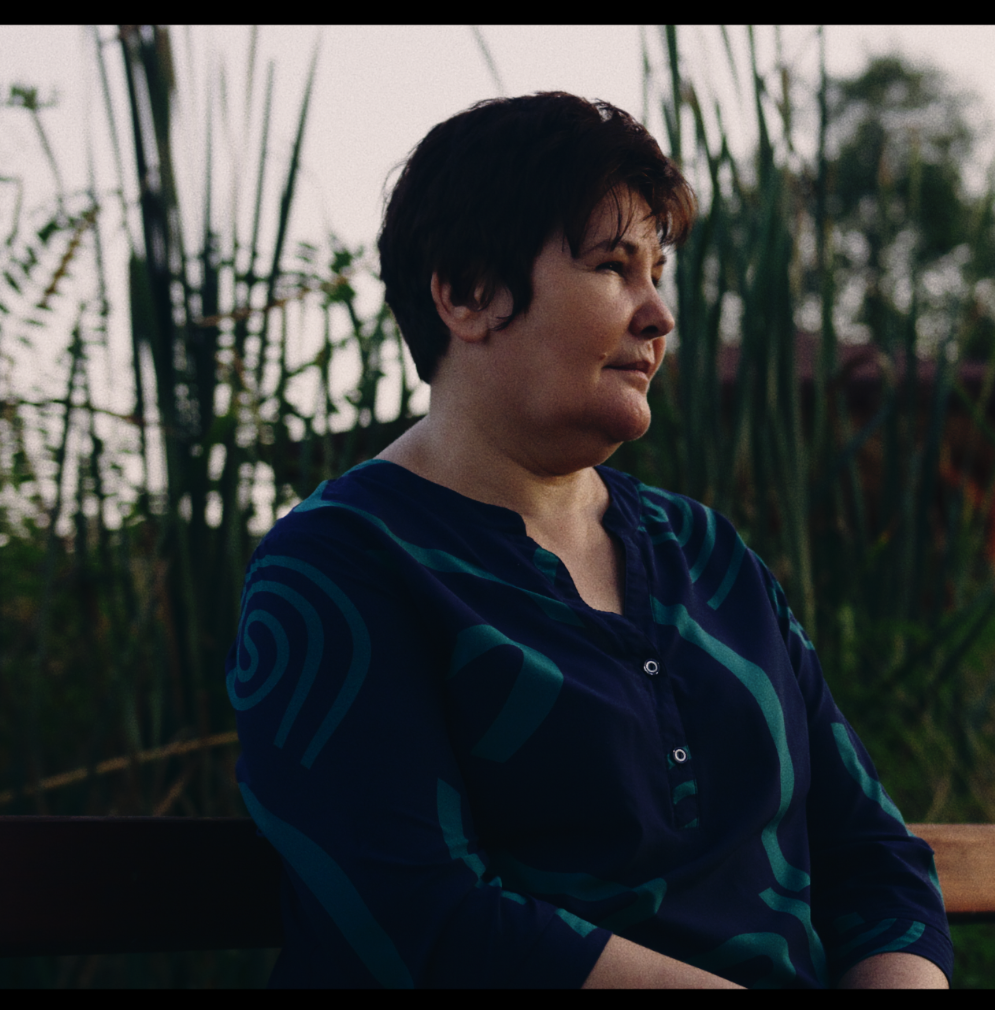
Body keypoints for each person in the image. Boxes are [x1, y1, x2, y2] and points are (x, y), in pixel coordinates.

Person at [225, 92, 950, 989]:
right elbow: (420, 917)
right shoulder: (341, 565)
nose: (659, 315)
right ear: (468, 292)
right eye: (614, 267)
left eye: (659, 271)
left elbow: (872, 856)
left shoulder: (709, 555)